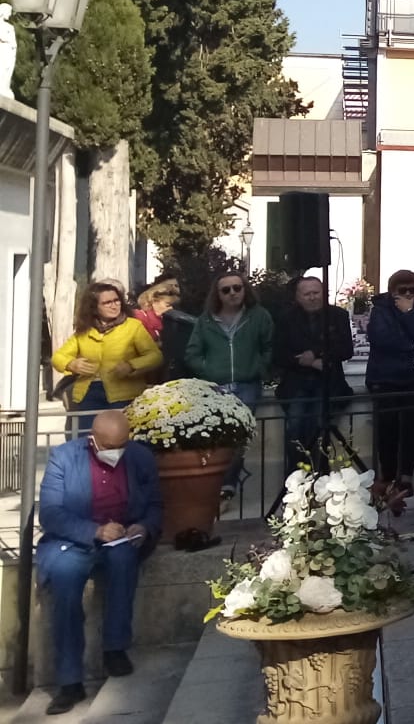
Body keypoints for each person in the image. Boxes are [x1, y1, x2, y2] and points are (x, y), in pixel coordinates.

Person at [36, 410, 160, 716]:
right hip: (75, 539)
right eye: (110, 446)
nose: (117, 453)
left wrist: (144, 527)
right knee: (65, 582)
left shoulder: (140, 458)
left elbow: (156, 504)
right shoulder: (64, 458)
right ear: (93, 441)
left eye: (123, 444)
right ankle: (69, 682)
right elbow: (50, 514)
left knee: (124, 560)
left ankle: (115, 649)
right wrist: (95, 531)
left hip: (120, 537)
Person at [182, 273, 275, 501]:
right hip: (215, 387)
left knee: (238, 437)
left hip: (247, 385)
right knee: (215, 438)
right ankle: (213, 485)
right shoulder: (206, 320)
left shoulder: (259, 316)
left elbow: (269, 347)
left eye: (237, 287)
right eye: (226, 290)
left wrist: (258, 368)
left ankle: (226, 487)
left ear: (245, 290)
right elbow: (192, 354)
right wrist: (209, 371)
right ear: (218, 294)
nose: (233, 293)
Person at [365, 270, 414, 514]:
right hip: (385, 378)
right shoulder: (381, 309)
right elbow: (382, 339)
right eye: (402, 290)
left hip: (413, 378)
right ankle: (386, 476)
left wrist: (408, 314)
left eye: (412, 290)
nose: (407, 295)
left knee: (412, 428)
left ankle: (406, 475)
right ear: (392, 290)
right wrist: (412, 340)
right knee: (387, 429)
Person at [53, 282, 163, 430]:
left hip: (124, 394)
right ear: (94, 307)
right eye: (107, 302)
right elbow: (58, 357)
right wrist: (71, 364)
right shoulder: (85, 331)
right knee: (84, 437)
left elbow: (155, 356)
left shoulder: (133, 326)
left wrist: (131, 365)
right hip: (88, 392)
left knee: (122, 437)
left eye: (116, 300)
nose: (114, 305)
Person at [275, 275, 354, 475]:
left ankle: (321, 478)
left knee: (320, 429)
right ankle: (295, 481)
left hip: (327, 383)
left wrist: (319, 356)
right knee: (295, 428)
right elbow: (277, 353)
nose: (312, 297)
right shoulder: (285, 318)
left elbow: (346, 349)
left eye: (316, 293)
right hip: (297, 384)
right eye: (307, 294)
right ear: (298, 297)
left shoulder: (338, 316)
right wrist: (303, 361)